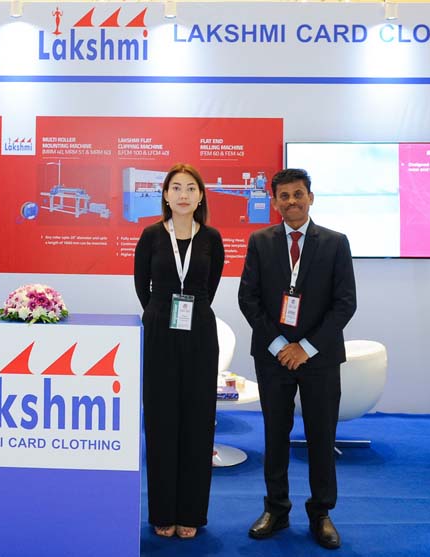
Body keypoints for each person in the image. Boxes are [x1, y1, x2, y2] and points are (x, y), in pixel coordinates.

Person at [237, 168, 356, 550]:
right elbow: (248, 299)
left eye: (298, 194)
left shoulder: (335, 243)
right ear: (275, 202)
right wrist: (279, 346)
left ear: (310, 197)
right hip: (273, 357)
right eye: (284, 196)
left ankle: (321, 513)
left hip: (319, 358)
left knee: (321, 436)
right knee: (275, 435)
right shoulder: (260, 241)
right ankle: (276, 509)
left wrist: (305, 347)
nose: (292, 201)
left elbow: (345, 304)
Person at [132, 163, 225, 540]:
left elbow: (211, 285)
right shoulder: (151, 235)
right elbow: (142, 285)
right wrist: (159, 312)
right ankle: (163, 511)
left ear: (201, 196)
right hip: (159, 331)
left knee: (198, 423)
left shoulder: (212, 238)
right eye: (176, 188)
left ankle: (191, 512)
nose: (183, 194)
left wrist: (190, 310)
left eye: (190, 188)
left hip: (199, 331)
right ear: (165, 196)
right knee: (160, 421)